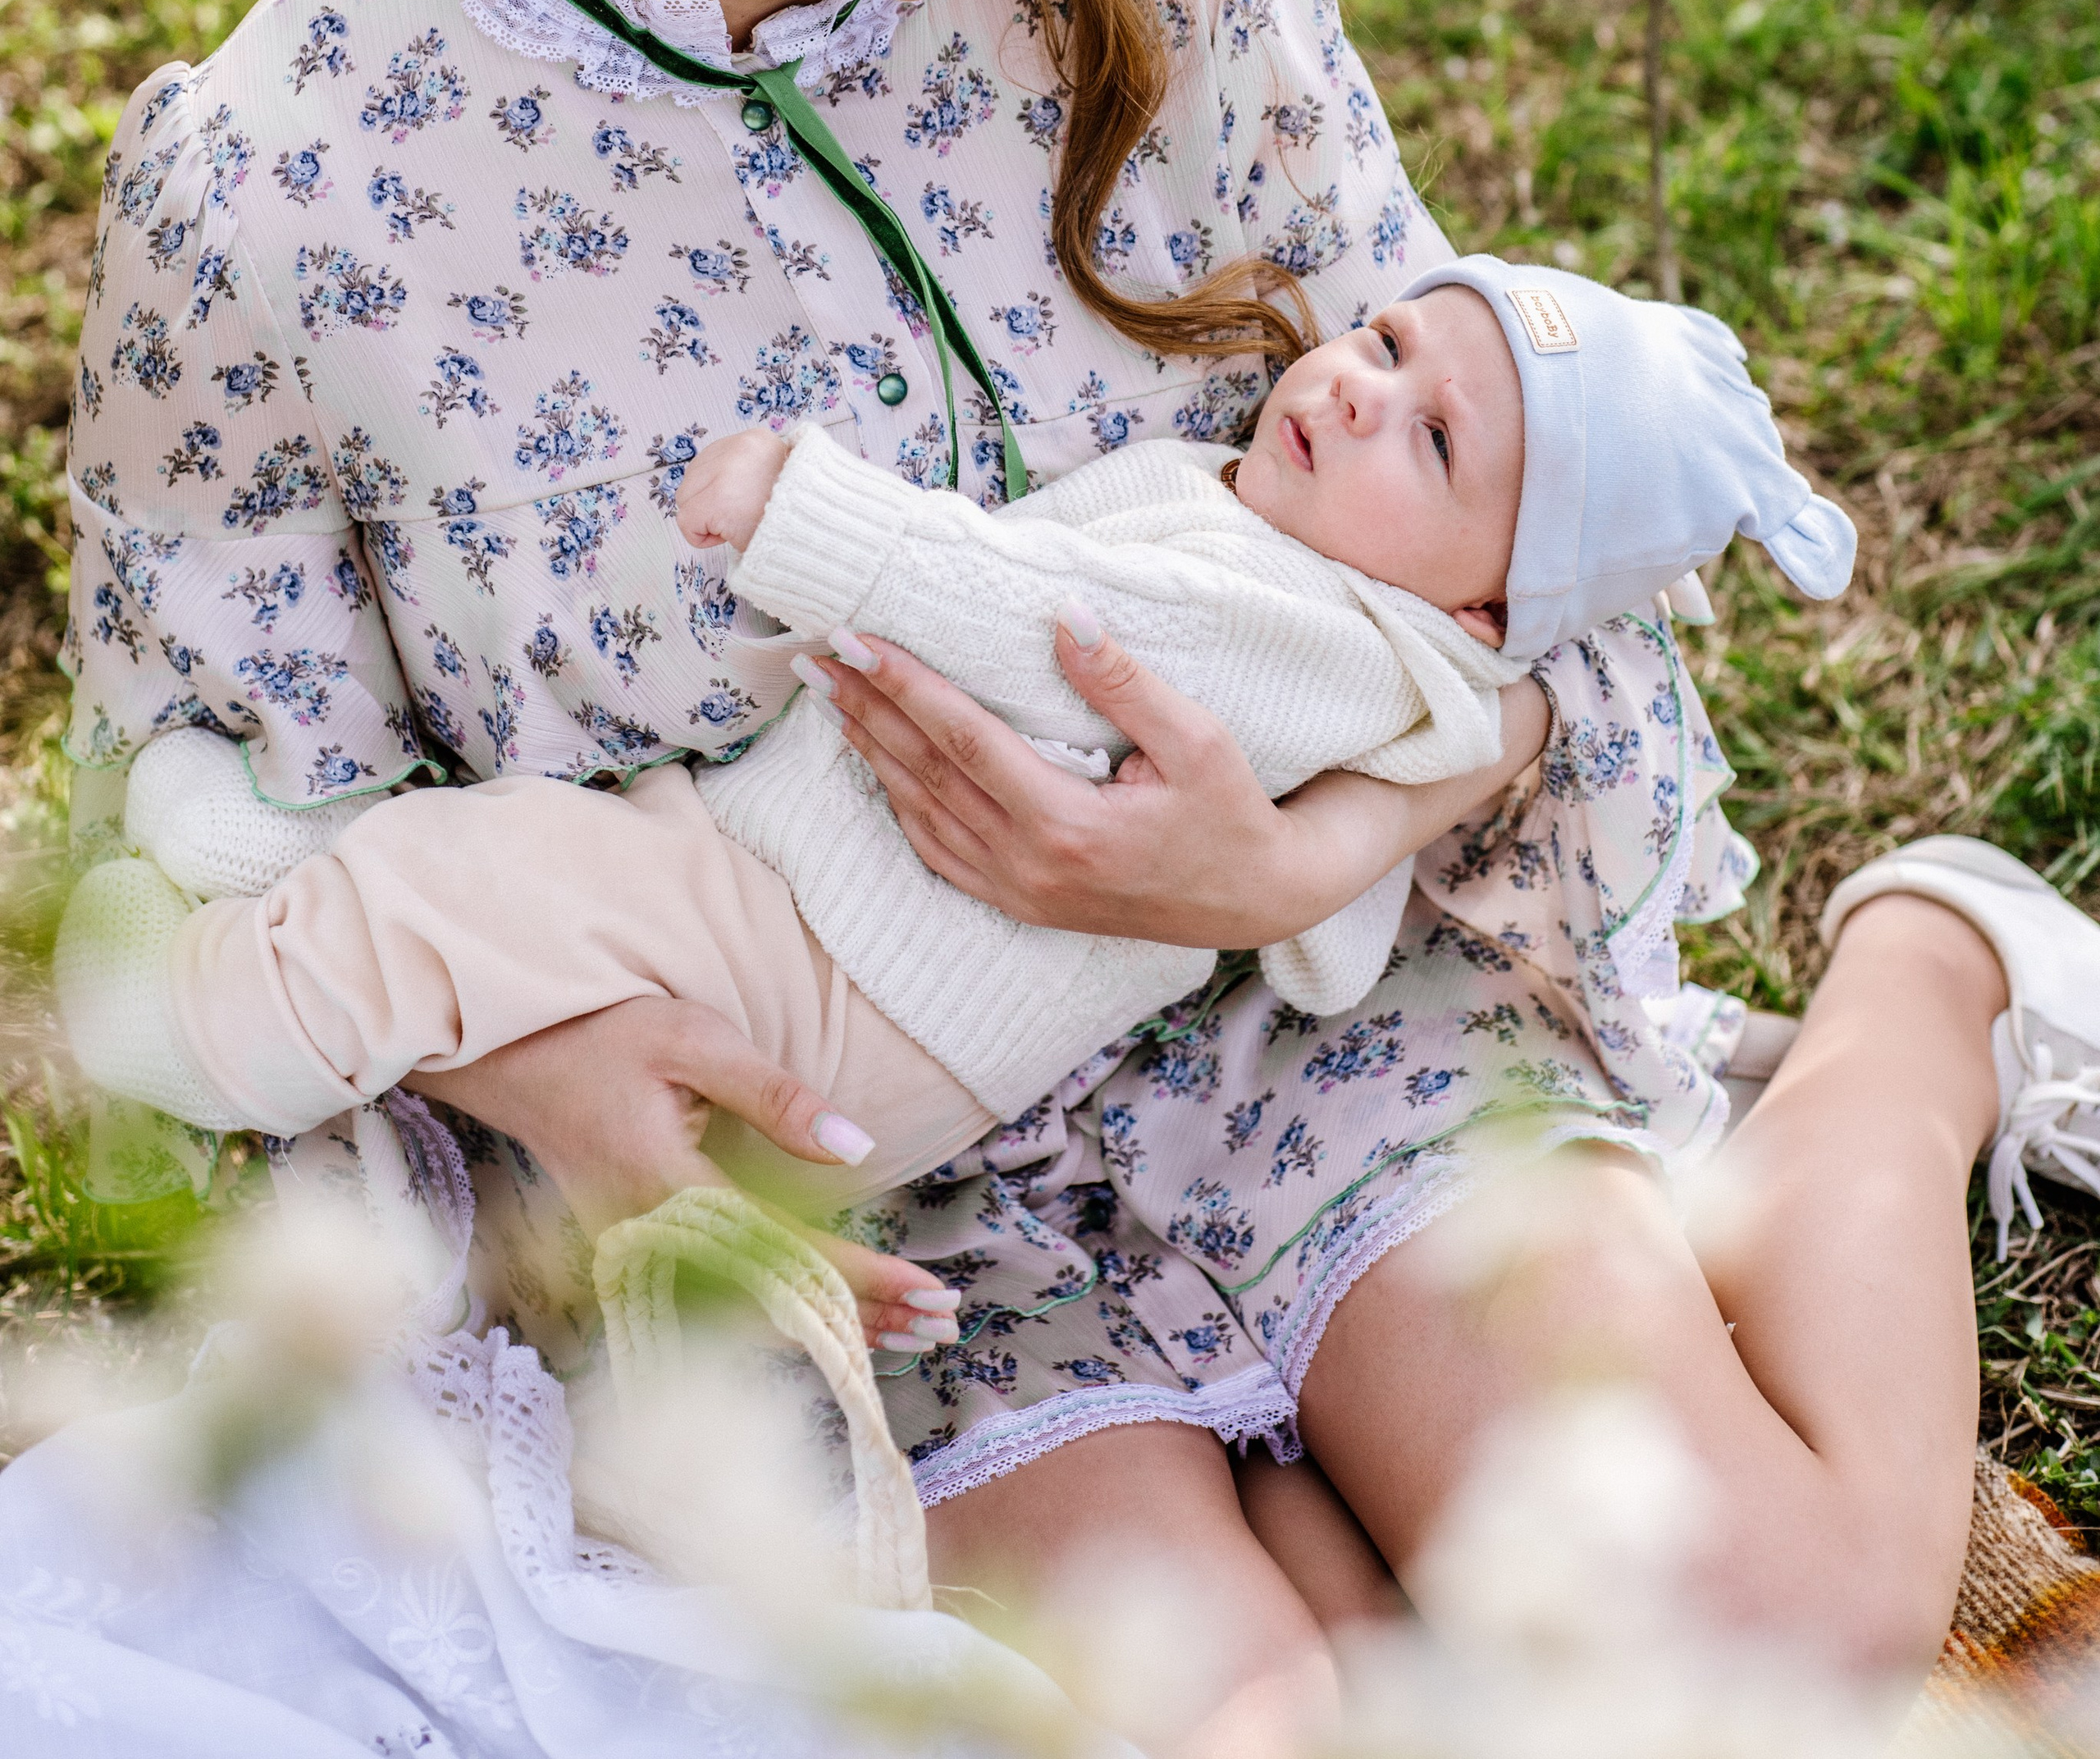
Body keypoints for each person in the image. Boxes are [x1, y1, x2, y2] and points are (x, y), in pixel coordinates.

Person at [52, 0, 2100, 1738]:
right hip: (861, 1163)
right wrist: (545, 1078)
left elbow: (1546, 586)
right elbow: (201, 841)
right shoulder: (283, 195)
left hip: (1312, 1027)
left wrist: (1305, 857)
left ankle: (1931, 970)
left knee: (1775, 1626)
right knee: (1237, 1712)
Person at [71, 258, 1858, 1199]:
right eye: (1386, 341)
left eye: (1436, 441)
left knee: (485, 899)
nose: (1353, 391)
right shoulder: (1292, 541)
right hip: (811, 915)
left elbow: (1062, 632)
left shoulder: (1327, 638)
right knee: (523, 889)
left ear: (1480, 606)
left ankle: (182, 1015)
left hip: (843, 971)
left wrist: (813, 516)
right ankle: (296, 873)